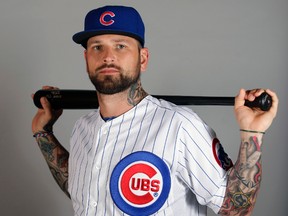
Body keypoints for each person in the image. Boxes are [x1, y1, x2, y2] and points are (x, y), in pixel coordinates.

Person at [31, 5, 278, 216]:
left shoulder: (179, 125)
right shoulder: (82, 128)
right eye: (97, 47)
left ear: (143, 58)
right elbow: (82, 190)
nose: (107, 56)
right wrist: (43, 132)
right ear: (86, 59)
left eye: (120, 46)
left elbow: (235, 208)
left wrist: (251, 134)